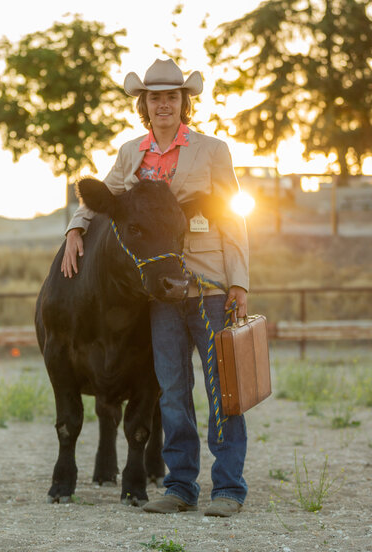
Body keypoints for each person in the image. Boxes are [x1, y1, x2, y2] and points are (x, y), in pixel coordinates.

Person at [61, 58, 249, 517]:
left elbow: (233, 214)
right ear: (144, 104)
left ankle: (227, 489)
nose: (163, 104)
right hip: (160, 294)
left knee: (223, 388)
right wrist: (73, 230)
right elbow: (105, 196)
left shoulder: (211, 150)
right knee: (171, 391)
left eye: (171, 96)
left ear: (184, 102)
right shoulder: (131, 153)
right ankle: (180, 486)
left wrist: (239, 280)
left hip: (207, 283)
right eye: (154, 97)